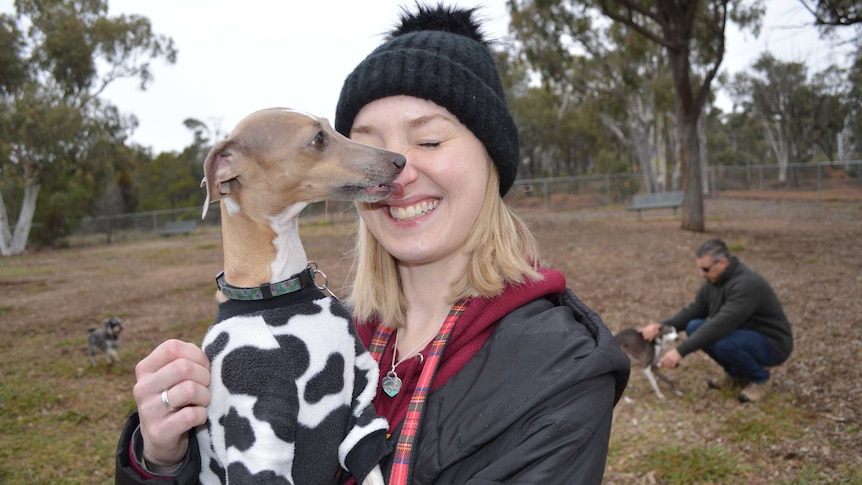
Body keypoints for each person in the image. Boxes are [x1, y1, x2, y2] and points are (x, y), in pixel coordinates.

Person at [115, 4, 630, 484]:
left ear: (491, 159)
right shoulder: (333, 329)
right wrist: (165, 460)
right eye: (368, 145)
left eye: (428, 140)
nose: (398, 169)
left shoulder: (562, 376)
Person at [640, 238, 793, 403]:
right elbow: (695, 311)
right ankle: (737, 374)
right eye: (700, 269)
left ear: (723, 263)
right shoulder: (715, 280)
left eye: (705, 269)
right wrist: (660, 326)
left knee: (721, 340)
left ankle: (761, 379)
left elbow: (721, 324)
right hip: (743, 335)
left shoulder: (746, 284)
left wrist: (680, 351)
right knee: (694, 326)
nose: (702, 274)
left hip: (772, 344)